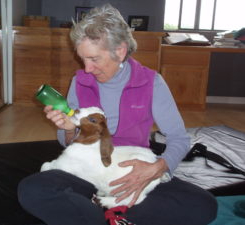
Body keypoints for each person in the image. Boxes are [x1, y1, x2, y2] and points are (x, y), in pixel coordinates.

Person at [18, 4, 217, 225]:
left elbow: (179, 138)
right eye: (82, 59)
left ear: (120, 51)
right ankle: (114, 215)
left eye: (94, 59)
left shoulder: (152, 83)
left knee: (203, 205)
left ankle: (98, 212)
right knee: (31, 189)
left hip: (132, 173)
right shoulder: (79, 81)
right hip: (87, 171)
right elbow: (71, 146)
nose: (87, 68)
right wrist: (68, 130)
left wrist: (155, 169)